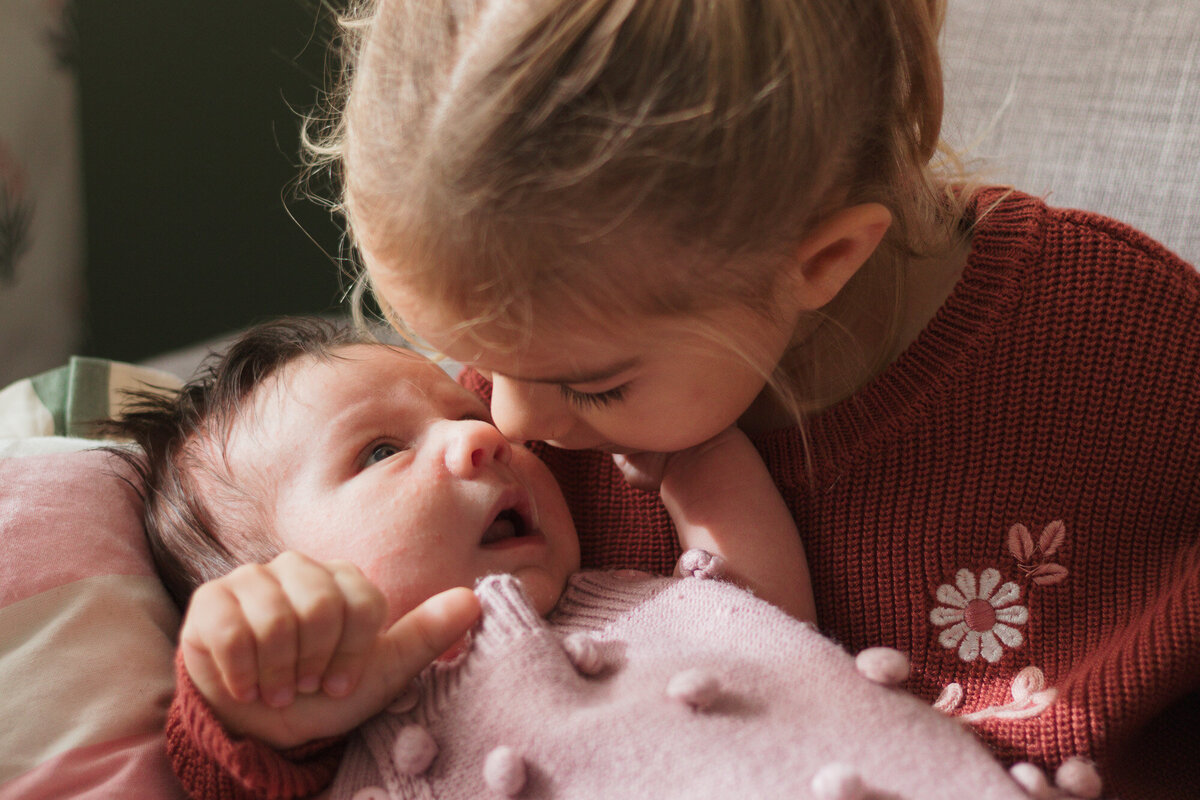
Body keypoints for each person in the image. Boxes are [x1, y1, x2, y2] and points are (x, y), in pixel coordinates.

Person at [300, 0, 1199, 796]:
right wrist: (249, 713)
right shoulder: (503, 458)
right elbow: (376, 704)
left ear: (822, 261)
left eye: (594, 384)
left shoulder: (1125, 345)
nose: (510, 421)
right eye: (473, 361)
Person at [107, 317, 829, 797]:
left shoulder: (630, 603)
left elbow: (774, 636)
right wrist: (253, 696)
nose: (482, 439)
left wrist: (697, 456)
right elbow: (229, 776)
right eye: (382, 451)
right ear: (279, 580)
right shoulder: (322, 728)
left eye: (466, 415)